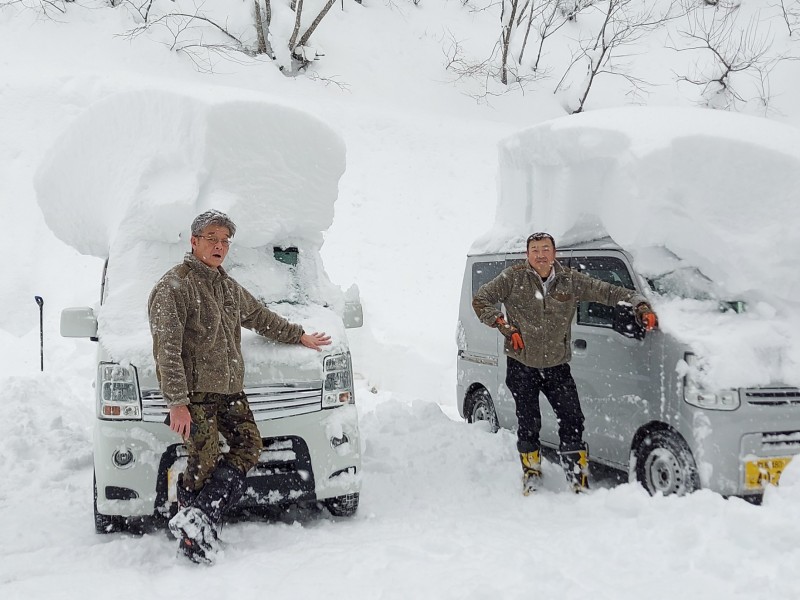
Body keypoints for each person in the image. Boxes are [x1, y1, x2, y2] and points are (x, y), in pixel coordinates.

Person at [148, 209, 331, 564]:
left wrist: (299, 335)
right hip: (196, 395)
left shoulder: (226, 285)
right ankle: (194, 537)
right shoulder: (173, 287)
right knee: (204, 461)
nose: (219, 246)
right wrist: (177, 402)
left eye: (225, 241)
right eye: (212, 239)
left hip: (230, 391)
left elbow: (259, 316)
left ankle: (196, 519)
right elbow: (166, 350)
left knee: (249, 446)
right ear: (194, 241)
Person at [472, 232, 657, 495]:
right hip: (521, 364)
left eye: (545, 249)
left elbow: (608, 291)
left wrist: (640, 306)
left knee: (572, 418)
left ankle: (576, 474)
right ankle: (531, 472)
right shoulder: (513, 278)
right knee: (529, 421)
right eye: (534, 250)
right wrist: (504, 326)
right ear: (528, 254)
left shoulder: (569, 281)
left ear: (554, 253)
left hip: (557, 366)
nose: (540, 255)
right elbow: (481, 300)